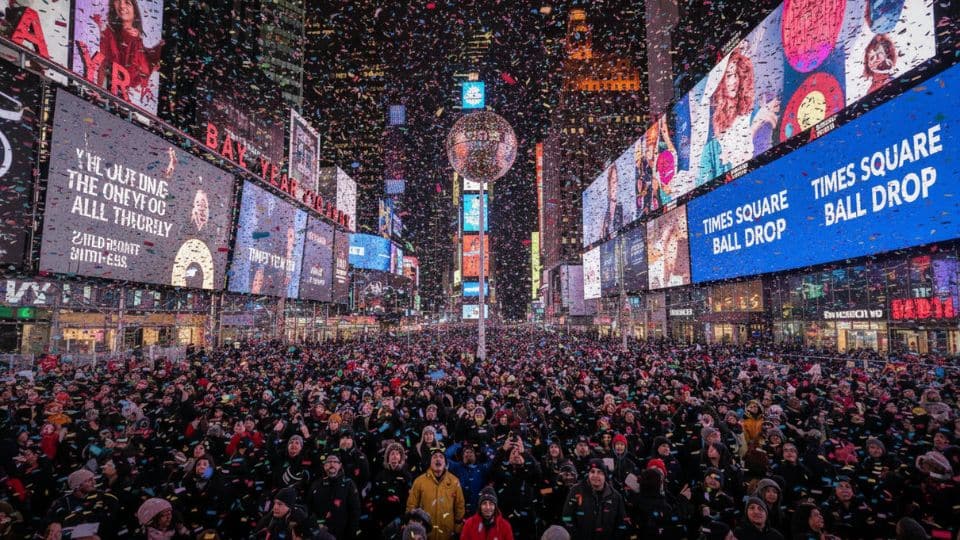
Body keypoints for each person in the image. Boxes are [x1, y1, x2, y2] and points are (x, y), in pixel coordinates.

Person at [91, 0, 163, 101]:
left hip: (122, 91)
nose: (122, 5)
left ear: (135, 10)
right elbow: (103, 61)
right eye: (118, 1)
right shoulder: (109, 33)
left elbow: (140, 71)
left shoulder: (137, 42)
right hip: (112, 87)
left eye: (127, 2)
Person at [406, 450, 466, 540]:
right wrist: (412, 527)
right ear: (430, 463)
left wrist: (458, 527)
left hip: (447, 533)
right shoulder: (419, 481)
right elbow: (412, 505)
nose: (438, 459)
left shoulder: (454, 481)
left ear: (445, 463)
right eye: (434, 457)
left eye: (441, 457)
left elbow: (459, 505)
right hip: (424, 532)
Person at [561, 459, 627, 539]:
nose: (595, 475)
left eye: (599, 472)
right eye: (592, 472)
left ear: (605, 476)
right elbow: (566, 517)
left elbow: (622, 523)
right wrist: (576, 536)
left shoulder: (616, 497)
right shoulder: (575, 491)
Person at [307, 453, 361, 539]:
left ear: (340, 465)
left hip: (342, 532)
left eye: (335, 462)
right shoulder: (316, 484)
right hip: (320, 532)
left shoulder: (349, 484)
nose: (332, 464)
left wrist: (352, 532)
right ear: (324, 466)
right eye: (328, 462)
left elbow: (355, 510)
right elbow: (309, 508)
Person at [600, 165, 623, 239]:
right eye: (613, 181)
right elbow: (602, 237)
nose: (615, 185)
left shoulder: (621, 208)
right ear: (609, 184)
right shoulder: (605, 214)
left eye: (616, 181)